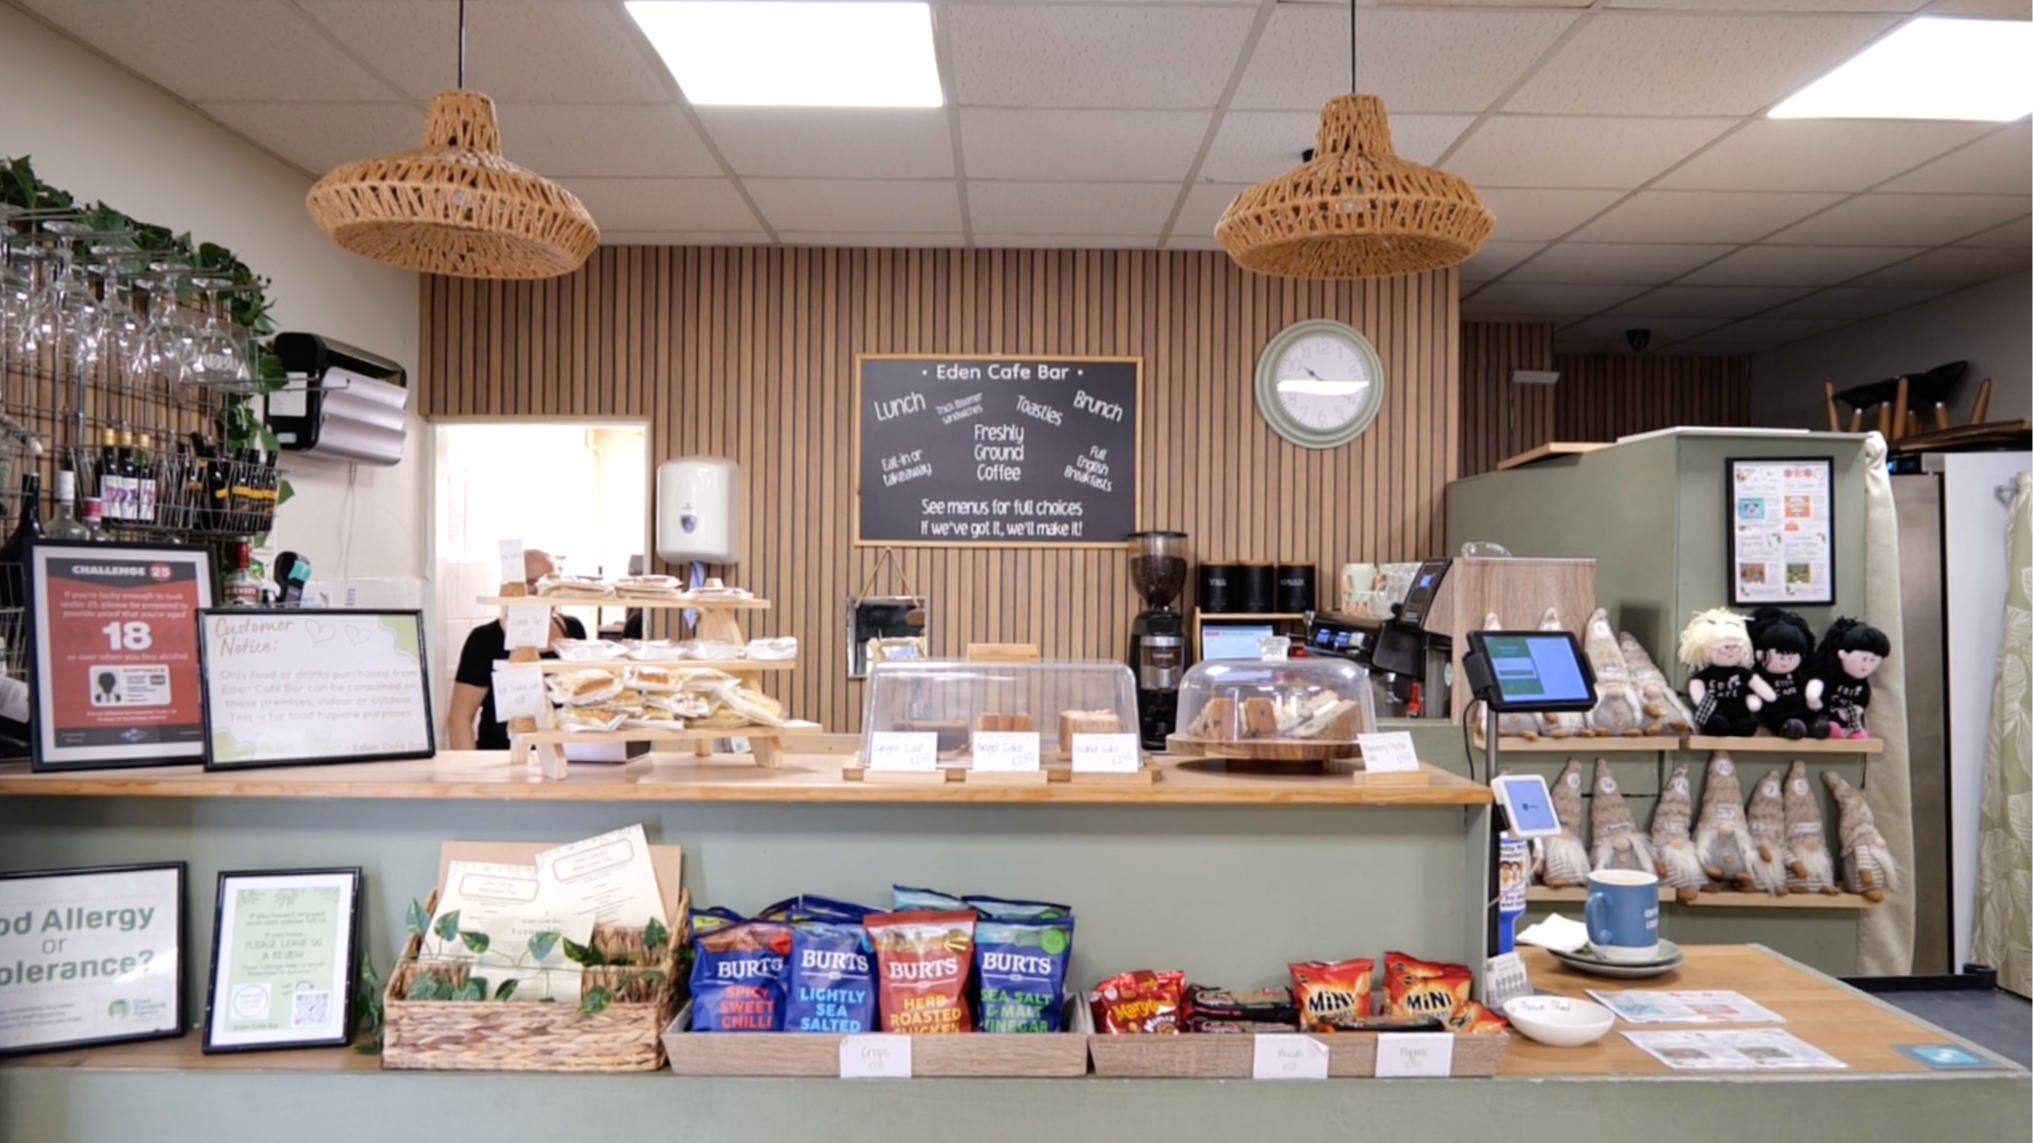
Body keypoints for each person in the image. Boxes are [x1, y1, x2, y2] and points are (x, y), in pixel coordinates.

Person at [447, 550, 586, 750]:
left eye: (549, 582)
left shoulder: (573, 629)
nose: (541, 592)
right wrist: (467, 772)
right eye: (531, 583)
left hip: (564, 758)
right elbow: (459, 717)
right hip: (500, 761)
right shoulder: (485, 639)